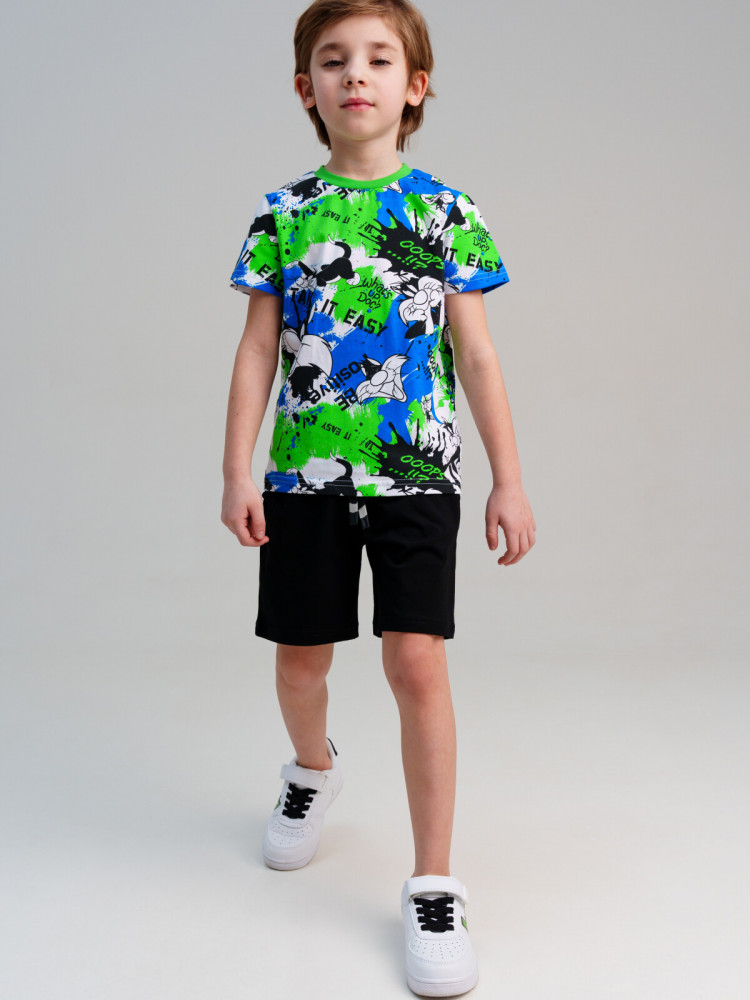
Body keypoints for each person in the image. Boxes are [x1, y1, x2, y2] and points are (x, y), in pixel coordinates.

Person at [221, 0, 535, 994]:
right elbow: (257, 350)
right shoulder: (282, 211)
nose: (355, 74)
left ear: (415, 85)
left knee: (417, 664)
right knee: (300, 662)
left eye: (378, 59)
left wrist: (509, 477)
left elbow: (476, 354)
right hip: (304, 476)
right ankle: (312, 769)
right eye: (333, 60)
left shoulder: (446, 210)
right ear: (305, 88)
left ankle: (433, 881)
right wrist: (237, 470)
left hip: (417, 474)